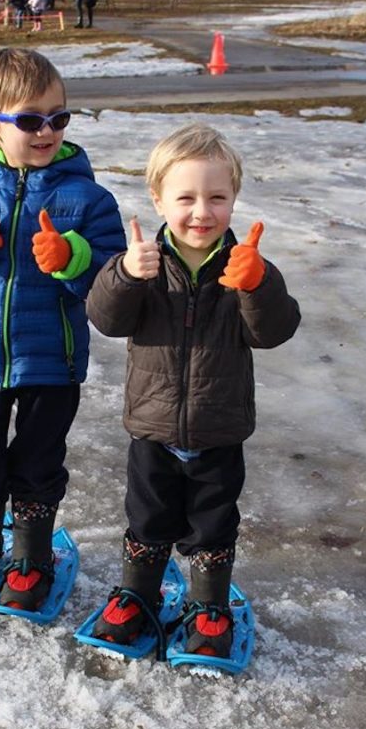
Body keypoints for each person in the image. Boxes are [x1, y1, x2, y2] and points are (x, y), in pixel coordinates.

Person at [0, 48, 126, 612]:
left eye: (59, 117)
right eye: (30, 119)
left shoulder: (88, 199)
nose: (47, 130)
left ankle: (32, 553)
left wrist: (71, 256)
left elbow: (111, 279)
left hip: (51, 363)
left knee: (37, 461)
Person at [86, 123, 301, 657]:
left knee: (213, 522)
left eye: (217, 197)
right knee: (148, 516)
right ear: (158, 198)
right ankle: (137, 594)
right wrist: (125, 275)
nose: (201, 212)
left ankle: (208, 603)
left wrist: (258, 285)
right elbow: (106, 320)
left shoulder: (243, 267)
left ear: (234, 200)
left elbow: (273, 331)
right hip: (152, 426)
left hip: (219, 428)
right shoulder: (144, 264)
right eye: (185, 197)